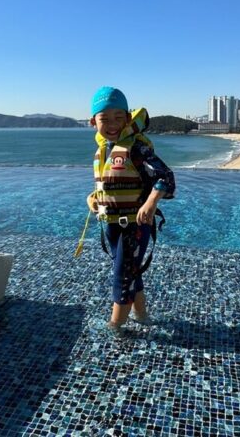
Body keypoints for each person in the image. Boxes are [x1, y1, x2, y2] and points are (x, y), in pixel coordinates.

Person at [87, 86, 175, 334]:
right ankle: (141, 315)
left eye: (118, 117)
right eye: (105, 119)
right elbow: (108, 185)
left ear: (127, 118)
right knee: (130, 271)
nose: (112, 124)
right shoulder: (104, 149)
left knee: (121, 278)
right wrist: (91, 199)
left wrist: (150, 202)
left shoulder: (136, 148)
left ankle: (115, 329)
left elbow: (165, 176)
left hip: (133, 225)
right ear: (93, 121)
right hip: (111, 225)